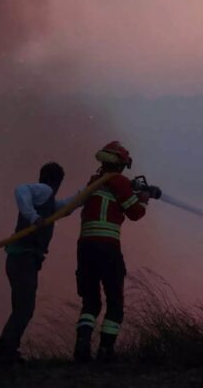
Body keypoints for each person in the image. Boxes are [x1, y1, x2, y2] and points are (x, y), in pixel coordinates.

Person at [0, 162, 79, 364]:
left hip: (20, 258)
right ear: (57, 182)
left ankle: (3, 348)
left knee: (20, 307)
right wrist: (32, 217)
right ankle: (6, 351)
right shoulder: (44, 191)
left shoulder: (47, 200)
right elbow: (21, 189)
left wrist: (86, 192)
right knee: (25, 308)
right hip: (23, 258)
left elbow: (65, 206)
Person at [74, 141, 153, 363]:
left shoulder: (93, 182)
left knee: (90, 302)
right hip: (107, 248)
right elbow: (135, 213)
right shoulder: (118, 181)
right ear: (119, 164)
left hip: (85, 248)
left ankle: (82, 345)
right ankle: (106, 351)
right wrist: (144, 200)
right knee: (115, 301)